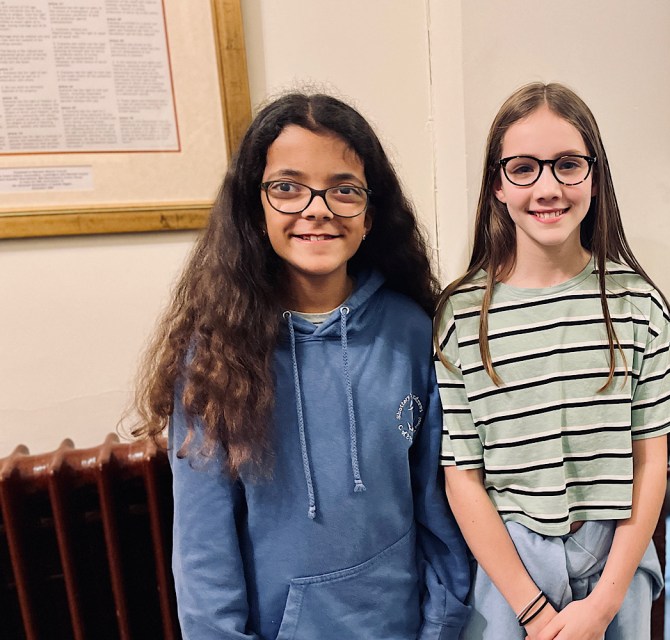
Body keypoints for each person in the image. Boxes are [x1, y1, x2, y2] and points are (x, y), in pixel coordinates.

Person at [132, 92, 470, 639]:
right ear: (255, 204)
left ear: (370, 211)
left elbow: (439, 505)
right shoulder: (216, 355)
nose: (318, 208)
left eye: (344, 189)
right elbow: (203, 552)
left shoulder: (412, 330)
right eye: (288, 187)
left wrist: (443, 622)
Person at [433, 82, 670, 640]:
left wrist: (602, 605)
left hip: (616, 561)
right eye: (524, 167)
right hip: (510, 571)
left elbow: (651, 464)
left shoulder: (638, 306)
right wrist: (531, 609)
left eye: (568, 165)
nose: (548, 187)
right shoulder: (461, 316)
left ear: (594, 178)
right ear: (497, 184)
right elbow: (462, 477)